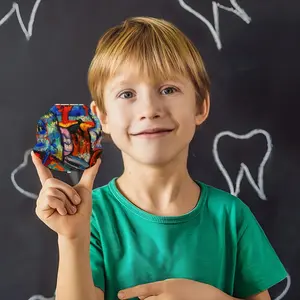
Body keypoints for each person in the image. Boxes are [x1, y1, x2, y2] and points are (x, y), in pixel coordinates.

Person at [31, 16, 287, 300]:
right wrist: (72, 239)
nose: (150, 109)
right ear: (102, 117)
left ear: (200, 106)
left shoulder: (231, 217)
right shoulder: (91, 217)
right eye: (127, 93)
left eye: (168, 90)